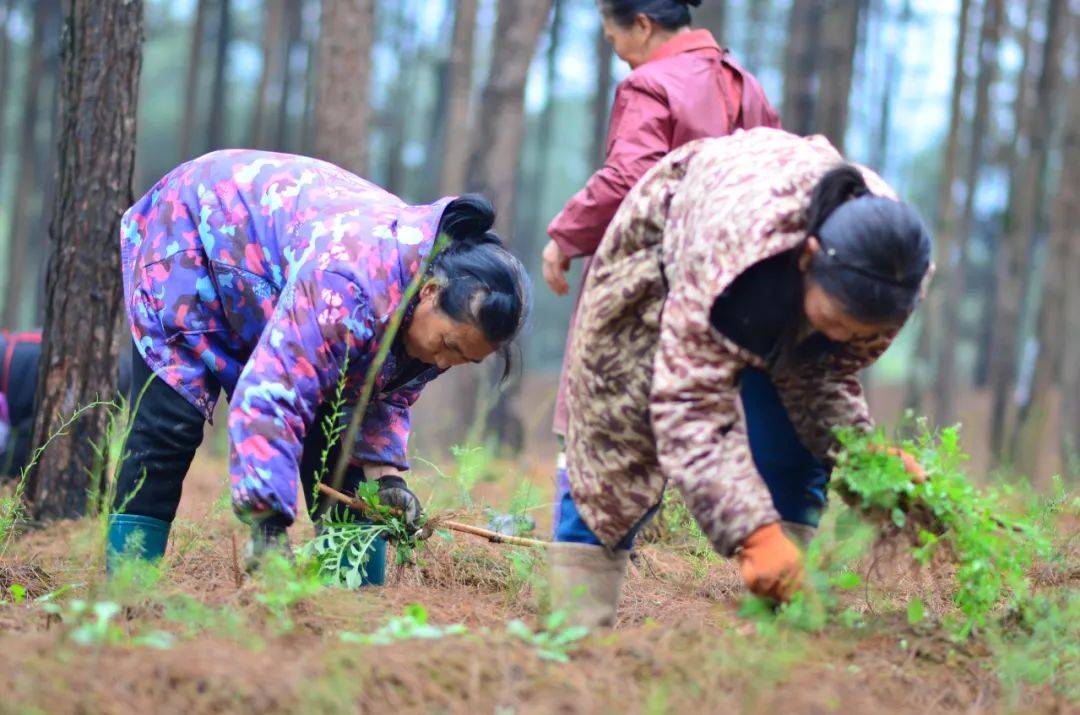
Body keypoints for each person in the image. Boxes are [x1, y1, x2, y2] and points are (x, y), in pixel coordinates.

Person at [550, 128, 933, 627]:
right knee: (613, 441)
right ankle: (572, 636)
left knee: (796, 447)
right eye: (835, 321)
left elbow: (823, 375)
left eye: (856, 332)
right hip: (667, 249)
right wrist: (753, 533)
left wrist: (864, 458)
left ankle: (774, 631)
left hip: (766, 259)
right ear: (810, 257)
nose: (841, 335)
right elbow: (690, 411)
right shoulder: (734, 255)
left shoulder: (895, 265)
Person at [109, 150, 531, 585]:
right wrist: (268, 523)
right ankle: (127, 593)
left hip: (278, 279)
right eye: (449, 345)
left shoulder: (428, 315)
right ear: (429, 292)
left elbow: (379, 396)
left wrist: (387, 480)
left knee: (337, 447)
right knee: (171, 422)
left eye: (464, 359)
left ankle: (352, 608)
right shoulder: (350, 285)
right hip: (195, 230)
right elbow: (275, 391)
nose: (445, 362)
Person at [542, 0, 780, 518]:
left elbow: (630, 178)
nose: (621, 57)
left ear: (643, 26)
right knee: (696, 421)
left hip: (649, 285)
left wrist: (564, 236)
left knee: (599, 428)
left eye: (614, 41)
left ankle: (582, 583)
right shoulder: (746, 84)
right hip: (730, 290)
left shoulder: (650, 85)